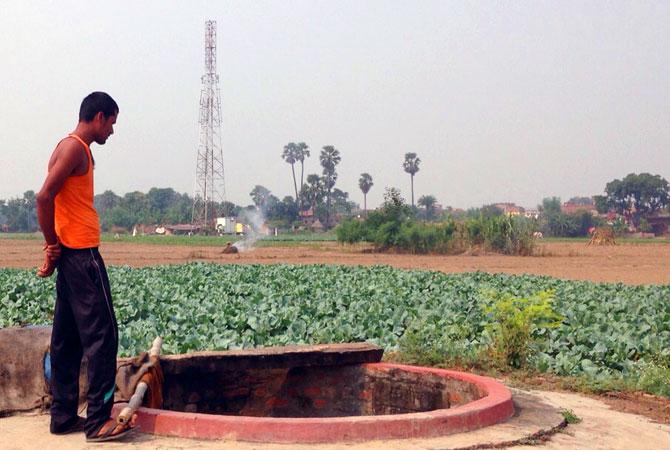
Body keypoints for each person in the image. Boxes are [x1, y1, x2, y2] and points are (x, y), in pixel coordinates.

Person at [36, 92, 134, 442]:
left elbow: (55, 198)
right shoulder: (76, 147)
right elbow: (44, 195)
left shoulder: (70, 147)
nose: (112, 131)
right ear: (99, 117)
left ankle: (62, 416)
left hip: (70, 258)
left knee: (66, 340)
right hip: (82, 257)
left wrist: (55, 249)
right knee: (103, 337)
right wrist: (52, 244)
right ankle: (98, 422)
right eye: (111, 123)